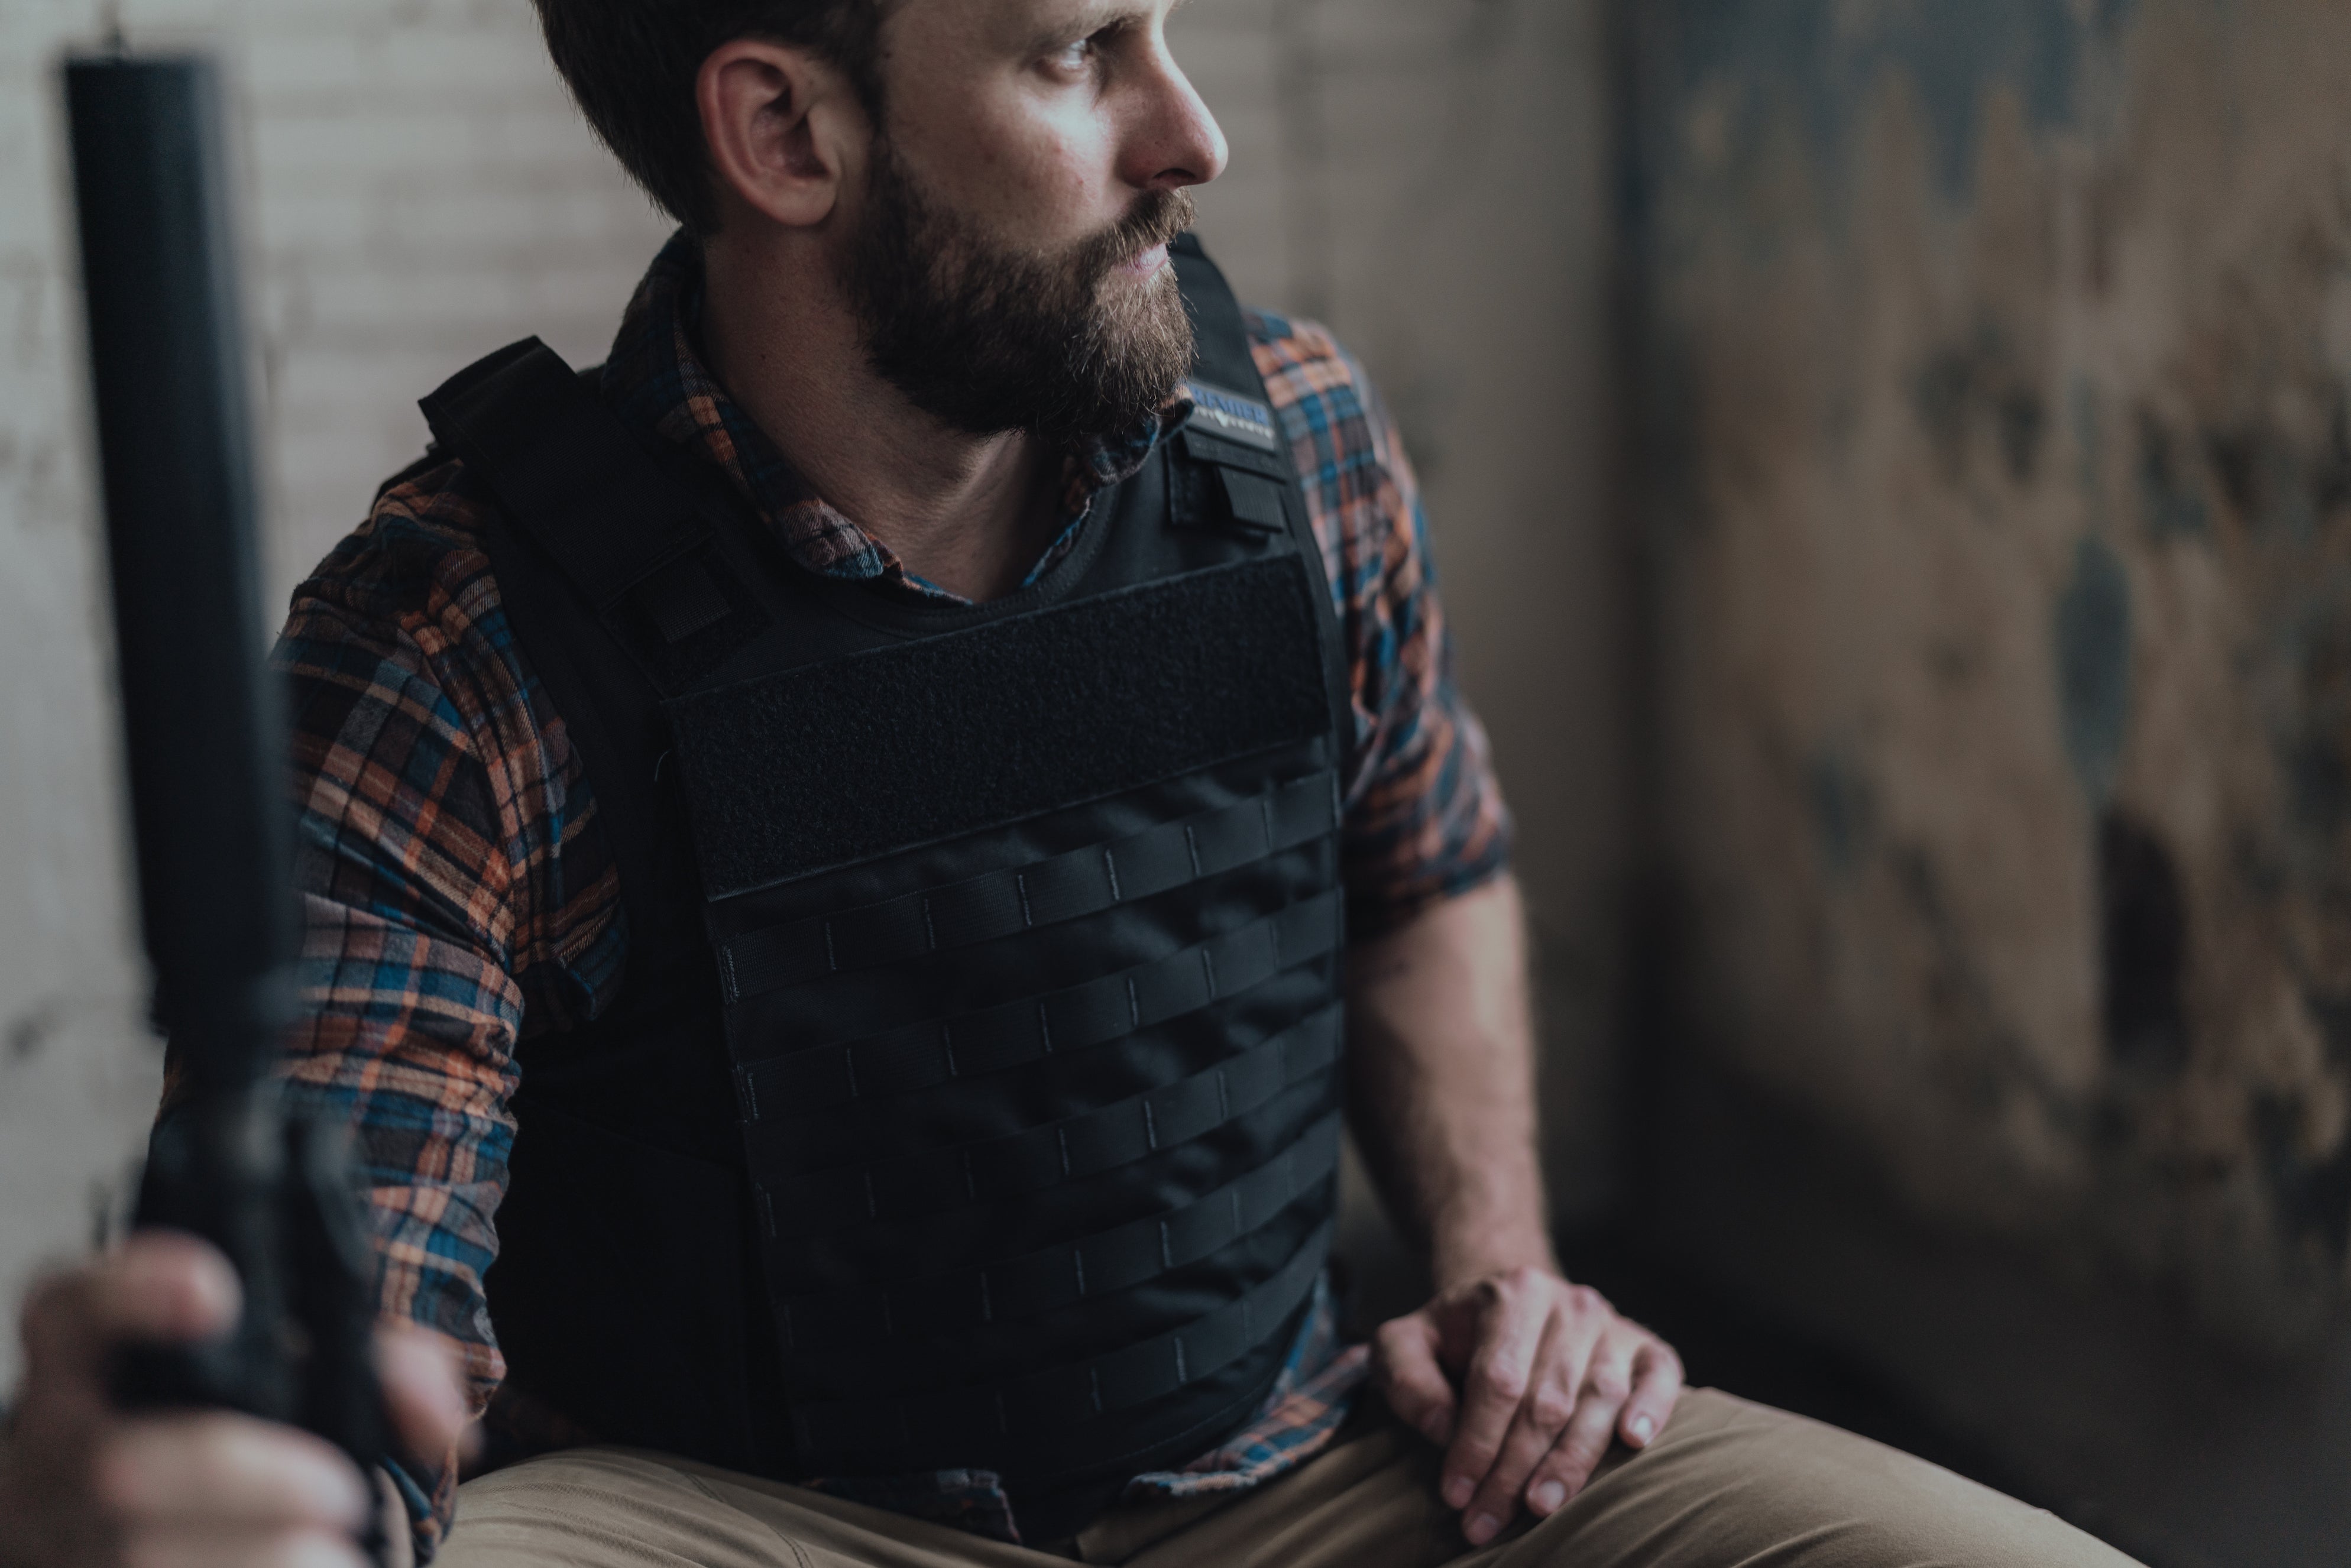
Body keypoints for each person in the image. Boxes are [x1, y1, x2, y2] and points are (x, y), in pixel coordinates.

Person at [1, 4, 2143, 1565]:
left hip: (1305, 1469)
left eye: (1167, 33)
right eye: (1075, 54)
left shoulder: (1296, 445)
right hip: (753, 1522)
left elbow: (1426, 869)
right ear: (784, 130)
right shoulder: (457, 649)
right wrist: (243, 1492)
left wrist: (1500, 1271)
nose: (1190, 132)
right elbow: (348, 1325)